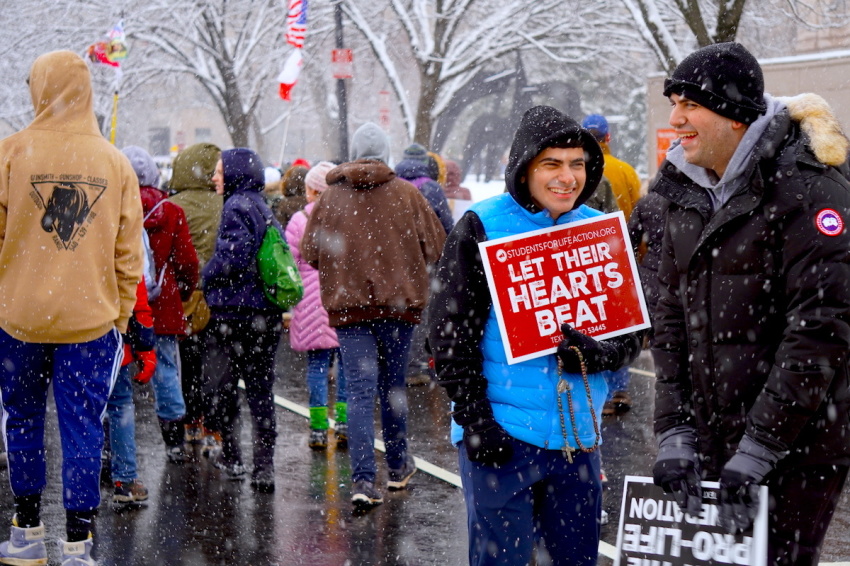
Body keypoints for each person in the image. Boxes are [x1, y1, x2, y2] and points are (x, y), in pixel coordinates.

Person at [650, 42, 850, 566]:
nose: (676, 118)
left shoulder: (810, 188)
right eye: (673, 102)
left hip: (798, 447)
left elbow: (820, 330)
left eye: (689, 104)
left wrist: (760, 447)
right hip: (716, 438)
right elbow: (671, 316)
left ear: (734, 116)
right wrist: (674, 430)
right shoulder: (681, 191)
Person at [428, 105, 643, 566]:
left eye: (578, 164)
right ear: (524, 168)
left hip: (578, 439)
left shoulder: (595, 228)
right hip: (503, 433)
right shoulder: (482, 227)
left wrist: (598, 354)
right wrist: (477, 423)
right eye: (552, 163)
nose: (568, 177)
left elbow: (633, 333)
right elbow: (449, 338)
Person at [0, 50, 143, 565]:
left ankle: (27, 531)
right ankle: (79, 544)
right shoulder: (114, 162)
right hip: (91, 323)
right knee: (84, 426)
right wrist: (121, 317)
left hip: (19, 320)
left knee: (22, 421)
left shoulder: (9, 154)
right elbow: (130, 256)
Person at [302, 122, 446, 510]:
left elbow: (310, 251)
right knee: (392, 388)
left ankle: (364, 479)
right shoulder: (407, 195)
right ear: (386, 151)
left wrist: (347, 266)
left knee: (361, 393)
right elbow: (436, 245)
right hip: (399, 309)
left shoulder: (331, 198)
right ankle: (398, 467)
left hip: (349, 311)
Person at [202, 148, 284, 493]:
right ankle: (263, 466)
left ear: (234, 173)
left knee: (220, 389)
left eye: (219, 171)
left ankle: (234, 457)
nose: (214, 177)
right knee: (260, 391)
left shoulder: (236, 206)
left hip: (235, 316)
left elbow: (234, 256)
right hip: (264, 315)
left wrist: (205, 275)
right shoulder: (263, 205)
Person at [123, 146, 198, 464]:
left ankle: (116, 448)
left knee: (120, 370)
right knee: (167, 369)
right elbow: (187, 262)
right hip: (164, 303)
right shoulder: (172, 211)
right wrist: (180, 293)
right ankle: (174, 440)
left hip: (125, 301)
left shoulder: (117, 207)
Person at [285, 161, 348, 451]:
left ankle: (319, 428)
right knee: (347, 365)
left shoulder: (299, 220)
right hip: (341, 299)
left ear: (312, 191)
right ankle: (345, 422)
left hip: (310, 302)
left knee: (317, 368)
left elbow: (290, 263)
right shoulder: (348, 216)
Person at [582, 113, 642, 415]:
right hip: (616, 257)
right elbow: (632, 212)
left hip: (579, 266)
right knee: (617, 325)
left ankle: (599, 391)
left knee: (589, 326)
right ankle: (618, 388)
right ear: (608, 138)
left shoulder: (572, 172)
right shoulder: (624, 172)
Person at [168, 143, 223, 451]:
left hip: (185, 294)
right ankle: (215, 426)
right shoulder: (225, 202)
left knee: (187, 362)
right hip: (218, 294)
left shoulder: (174, 205)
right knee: (216, 362)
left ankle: (191, 421)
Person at [105, 279, 157, 511]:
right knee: (120, 406)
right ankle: (125, 480)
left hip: (68, 340)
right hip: (113, 340)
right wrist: (145, 347)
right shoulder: (122, 242)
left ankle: (80, 486)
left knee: (80, 412)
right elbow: (136, 292)